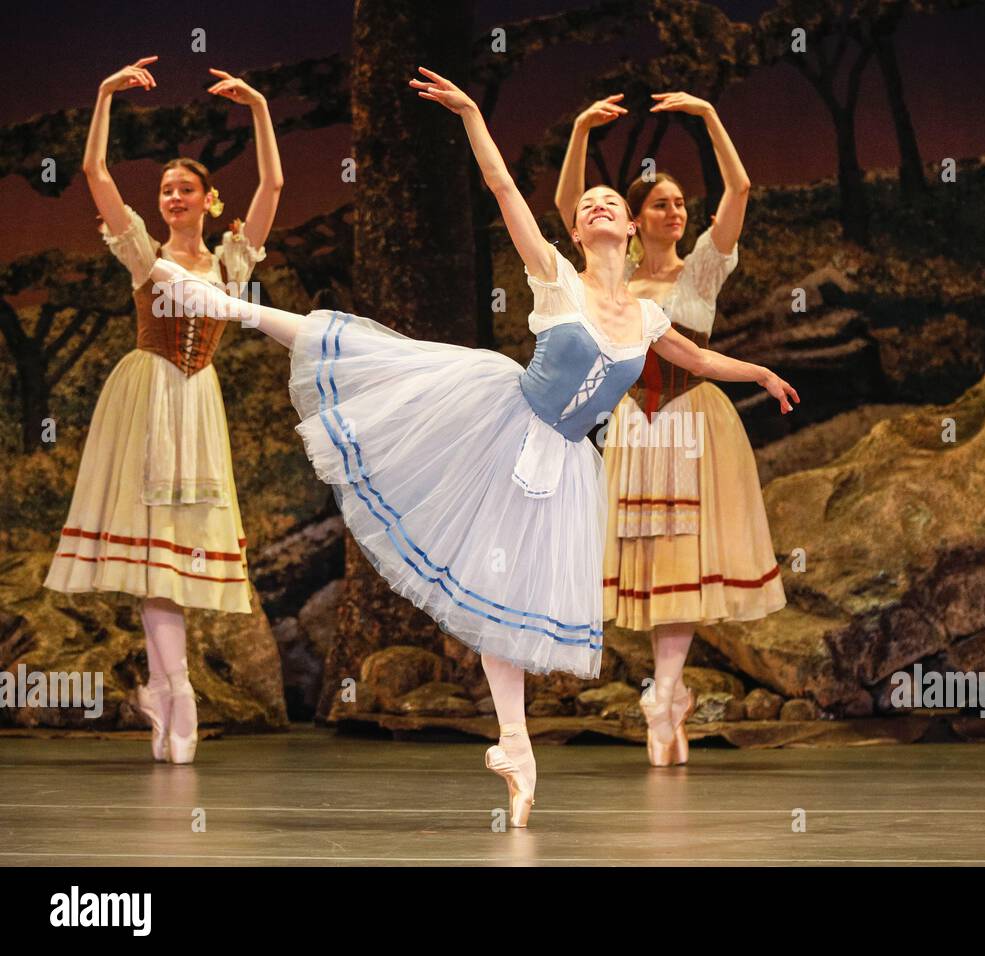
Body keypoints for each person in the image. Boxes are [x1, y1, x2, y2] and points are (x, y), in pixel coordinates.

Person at [145, 67, 799, 825]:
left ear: (625, 228)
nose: (595, 206)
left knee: (509, 602)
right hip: (501, 420)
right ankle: (231, 304)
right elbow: (501, 188)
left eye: (608, 203)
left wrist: (762, 372)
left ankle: (514, 746)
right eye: (588, 202)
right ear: (579, 229)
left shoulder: (650, 319)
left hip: (562, 463)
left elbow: (702, 360)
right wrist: (468, 114)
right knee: (364, 350)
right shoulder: (556, 278)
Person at [44, 56, 282, 765]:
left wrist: (261, 107)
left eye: (186, 188)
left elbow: (272, 182)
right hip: (145, 398)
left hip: (197, 403)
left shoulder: (231, 263)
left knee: (172, 560)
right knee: (152, 559)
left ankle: (162, 691)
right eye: (166, 188)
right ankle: (177, 692)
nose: (173, 196)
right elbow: (95, 174)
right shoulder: (144, 256)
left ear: (209, 201)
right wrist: (103, 94)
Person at [555, 93, 786, 767]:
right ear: (633, 220)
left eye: (681, 203)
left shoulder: (704, 270)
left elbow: (740, 188)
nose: (675, 212)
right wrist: (577, 130)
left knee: (682, 556)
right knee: (648, 559)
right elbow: (571, 209)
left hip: (692, 422)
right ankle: (667, 695)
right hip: (634, 424)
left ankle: (665, 692)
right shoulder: (615, 275)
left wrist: (711, 116)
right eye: (660, 203)